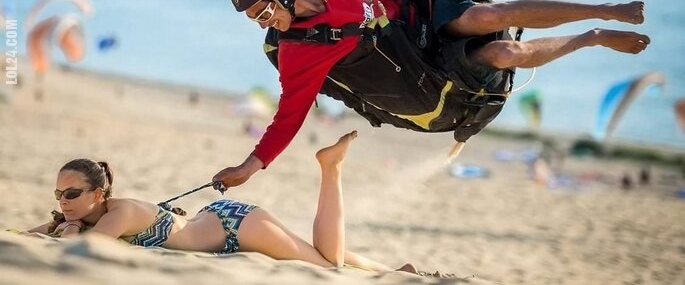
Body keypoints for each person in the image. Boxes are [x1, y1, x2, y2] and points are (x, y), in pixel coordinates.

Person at [215, 0, 650, 189]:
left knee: (494, 15)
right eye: (254, 17)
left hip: (420, 17)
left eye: (264, 10)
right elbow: (286, 120)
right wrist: (249, 167)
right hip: (418, 68)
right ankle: (592, 37)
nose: (262, 22)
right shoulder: (298, 54)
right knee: (505, 52)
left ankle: (605, 9)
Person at [24, 132, 415, 273]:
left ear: (98, 194)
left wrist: (70, 226)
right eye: (59, 194)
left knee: (329, 266)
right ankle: (397, 272)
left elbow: (86, 246)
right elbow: (30, 236)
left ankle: (330, 169)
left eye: (71, 194)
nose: (64, 201)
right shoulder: (88, 214)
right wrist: (59, 223)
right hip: (214, 221)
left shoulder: (119, 212)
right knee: (316, 252)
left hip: (235, 227)